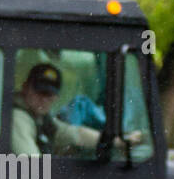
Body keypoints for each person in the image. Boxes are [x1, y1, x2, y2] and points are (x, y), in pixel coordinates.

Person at [11, 63, 142, 157]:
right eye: (40, 92)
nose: (44, 99)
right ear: (25, 88)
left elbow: (75, 134)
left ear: (56, 97)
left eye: (49, 94)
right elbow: (33, 169)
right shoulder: (17, 118)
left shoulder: (40, 118)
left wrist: (117, 141)